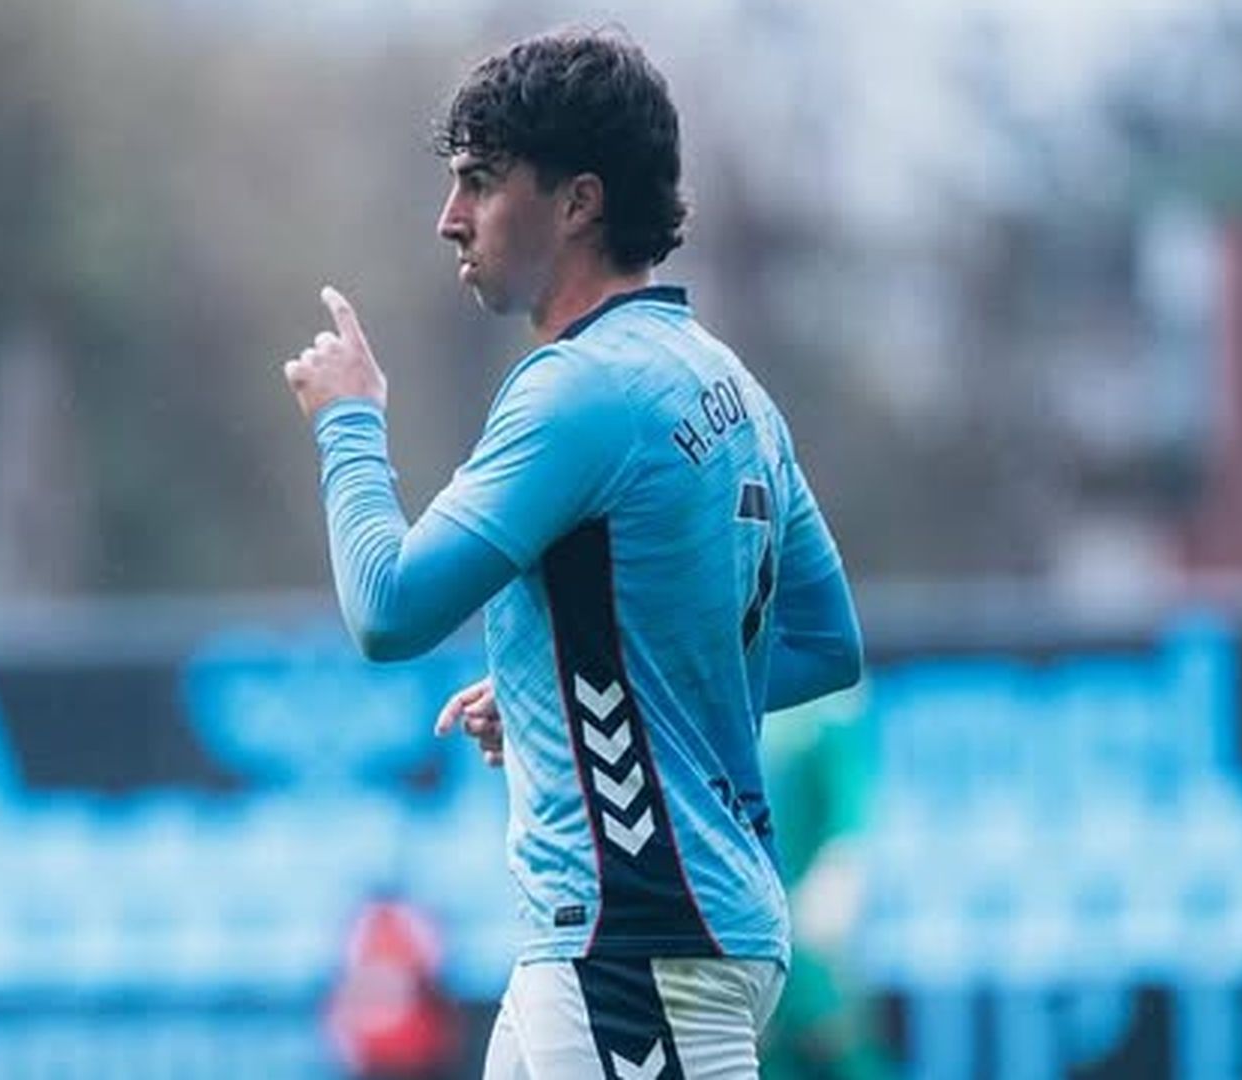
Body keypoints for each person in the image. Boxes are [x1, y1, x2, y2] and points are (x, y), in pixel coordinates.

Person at [280, 27, 862, 1079]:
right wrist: (576, 693)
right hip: (652, 935)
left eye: (480, 181)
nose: (450, 217)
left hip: (634, 946)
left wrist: (350, 423)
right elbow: (825, 644)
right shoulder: (728, 383)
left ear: (578, 201)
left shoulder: (580, 391)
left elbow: (389, 608)